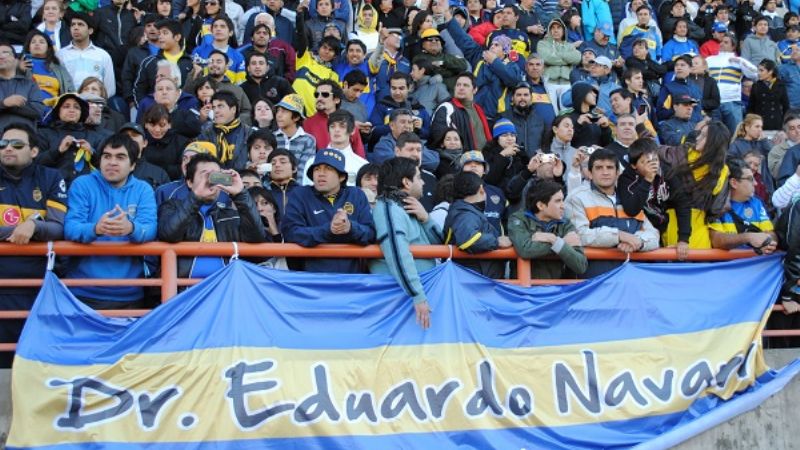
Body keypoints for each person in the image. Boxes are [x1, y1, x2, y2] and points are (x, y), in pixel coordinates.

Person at [63, 133, 157, 308]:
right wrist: (95, 229)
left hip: (130, 292)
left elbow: (150, 228)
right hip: (82, 291)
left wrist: (131, 228)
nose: (112, 162)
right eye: (107, 156)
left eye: (120, 157)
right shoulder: (82, 184)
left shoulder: (143, 189)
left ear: (133, 165)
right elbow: (70, 227)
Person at [0, 122, 67, 367]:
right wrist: (23, 228)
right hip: (2, 285)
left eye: (17, 145)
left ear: (34, 151)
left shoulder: (51, 177)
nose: (8, 149)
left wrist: (34, 227)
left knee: (35, 363)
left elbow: (58, 228)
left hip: (39, 287)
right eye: (3, 144)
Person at [158, 152, 266, 278]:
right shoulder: (173, 206)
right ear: (189, 182)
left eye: (216, 174)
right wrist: (196, 197)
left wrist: (240, 194)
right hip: (184, 290)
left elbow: (256, 237)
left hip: (225, 289)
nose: (211, 179)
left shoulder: (229, 214)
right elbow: (169, 234)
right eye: (205, 174)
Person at [370, 157, 442, 329]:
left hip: (417, 294)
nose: (423, 182)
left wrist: (426, 219)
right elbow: (397, 253)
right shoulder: (388, 208)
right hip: (401, 300)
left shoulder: (410, 207)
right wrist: (417, 295)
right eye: (418, 177)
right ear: (406, 182)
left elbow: (441, 246)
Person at [565, 147, 659, 277]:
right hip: (594, 280)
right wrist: (618, 235)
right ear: (590, 173)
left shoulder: (629, 196)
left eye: (609, 167)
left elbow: (653, 234)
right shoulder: (577, 197)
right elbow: (579, 235)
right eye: (599, 168)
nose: (605, 172)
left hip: (632, 278)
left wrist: (638, 242)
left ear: (617, 172)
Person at [282, 148, 375, 273]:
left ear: (341, 176)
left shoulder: (356, 195)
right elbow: (291, 233)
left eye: (328, 169)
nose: (321, 173)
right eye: (317, 169)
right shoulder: (299, 195)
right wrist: (328, 230)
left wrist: (350, 228)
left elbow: (371, 233)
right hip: (310, 279)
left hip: (352, 280)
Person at [661, 120, 731, 248]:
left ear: (713, 143)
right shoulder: (679, 153)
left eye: (703, 136)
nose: (697, 138)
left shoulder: (723, 171)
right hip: (672, 224)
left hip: (700, 233)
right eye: (699, 134)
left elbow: (716, 208)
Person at [618, 138, 691, 258]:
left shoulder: (668, 172)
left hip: (665, 224)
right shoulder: (626, 179)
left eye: (655, 160)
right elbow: (631, 209)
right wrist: (647, 180)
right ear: (634, 165)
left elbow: (682, 204)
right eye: (645, 162)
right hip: (640, 231)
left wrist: (683, 239)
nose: (653, 165)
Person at [508, 180, 587, 279]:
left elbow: (581, 266)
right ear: (540, 205)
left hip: (558, 291)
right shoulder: (518, 219)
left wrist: (554, 240)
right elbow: (524, 250)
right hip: (526, 291)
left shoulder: (566, 224)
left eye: (563, 200)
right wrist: (562, 243)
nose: (563, 206)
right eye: (558, 201)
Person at [443, 171, 512, 279]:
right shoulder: (465, 213)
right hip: (473, 284)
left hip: (477, 281)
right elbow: (467, 240)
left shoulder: (465, 210)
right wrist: (497, 241)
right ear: (481, 189)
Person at [709, 158, 777, 253]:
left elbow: (771, 233)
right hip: (727, 265)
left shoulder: (756, 203)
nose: (755, 183)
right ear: (734, 183)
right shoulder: (716, 205)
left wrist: (768, 242)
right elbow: (716, 240)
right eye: (750, 179)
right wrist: (748, 237)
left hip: (756, 264)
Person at [38, 93, 106, 186]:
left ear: (82, 113)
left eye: (76, 107)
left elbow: (106, 167)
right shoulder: (44, 134)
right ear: (58, 111)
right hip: (52, 189)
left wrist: (92, 152)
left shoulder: (94, 137)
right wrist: (58, 150)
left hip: (86, 191)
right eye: (66, 106)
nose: (72, 110)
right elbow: (35, 164)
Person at [133, 19, 194, 106]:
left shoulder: (191, 63)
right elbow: (139, 90)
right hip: (154, 115)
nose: (160, 37)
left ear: (177, 37)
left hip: (183, 116)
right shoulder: (150, 62)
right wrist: (146, 112)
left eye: (165, 33)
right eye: (159, 33)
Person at [706, 34, 758, 134]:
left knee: (736, 134)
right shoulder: (709, 60)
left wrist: (740, 62)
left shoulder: (739, 61)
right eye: (721, 41)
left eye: (726, 42)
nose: (721, 44)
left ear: (733, 46)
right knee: (714, 136)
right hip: (713, 103)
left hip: (732, 102)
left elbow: (755, 74)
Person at [302, 110, 368, 186]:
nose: (336, 130)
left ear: (352, 130)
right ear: (328, 130)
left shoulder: (361, 165)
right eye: (332, 126)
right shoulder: (312, 163)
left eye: (342, 126)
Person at [56, 13, 116, 98]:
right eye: (73, 25)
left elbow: (109, 89)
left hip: (96, 104)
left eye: (80, 24)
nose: (76, 28)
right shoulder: (60, 55)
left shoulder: (102, 55)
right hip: (70, 105)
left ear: (90, 30)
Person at [430, 72, 491, 155]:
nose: (461, 88)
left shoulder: (479, 109)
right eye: (458, 85)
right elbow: (439, 138)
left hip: (480, 161)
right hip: (459, 162)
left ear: (475, 90)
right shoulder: (446, 108)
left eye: (465, 85)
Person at [303, 80, 366, 156]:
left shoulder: (348, 121)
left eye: (325, 95)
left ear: (336, 100)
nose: (319, 98)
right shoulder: (307, 123)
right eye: (316, 95)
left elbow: (360, 155)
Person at [198, 91, 251, 170]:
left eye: (220, 106)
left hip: (241, 178)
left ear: (233, 109)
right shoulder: (205, 132)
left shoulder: (248, 133)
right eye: (214, 107)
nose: (216, 111)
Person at [154, 140, 219, 205]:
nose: (186, 163)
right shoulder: (165, 191)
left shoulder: (224, 192)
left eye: (193, 159)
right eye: (184, 159)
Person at [0, 42, 46, 131]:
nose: (1, 56)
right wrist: (4, 103)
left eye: (5, 52)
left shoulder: (29, 84)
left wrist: (12, 106)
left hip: (25, 136)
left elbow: (39, 111)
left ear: (16, 60)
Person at [538, 18, 581, 112]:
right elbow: (546, 58)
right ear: (549, 31)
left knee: (567, 112)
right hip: (549, 82)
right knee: (552, 112)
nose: (555, 30)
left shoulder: (569, 45)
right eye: (552, 28)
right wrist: (567, 59)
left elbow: (577, 58)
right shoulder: (542, 44)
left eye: (558, 27)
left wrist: (557, 55)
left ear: (563, 31)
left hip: (566, 83)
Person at [21, 29, 74, 103]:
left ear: (48, 47)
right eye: (33, 42)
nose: (37, 44)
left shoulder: (59, 68)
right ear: (28, 47)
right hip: (29, 109)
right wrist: (19, 70)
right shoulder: (19, 66)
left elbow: (70, 90)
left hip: (54, 109)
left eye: (41, 42)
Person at [500, 82, 546, 157]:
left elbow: (544, 145)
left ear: (531, 98)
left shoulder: (539, 119)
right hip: (512, 164)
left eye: (526, 95)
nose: (522, 98)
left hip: (535, 163)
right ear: (512, 98)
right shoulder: (504, 118)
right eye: (519, 95)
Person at [273, 93, 317, 170]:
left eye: (284, 111)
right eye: (278, 110)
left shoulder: (308, 140)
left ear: (296, 117)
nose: (278, 115)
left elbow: (303, 169)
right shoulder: (272, 137)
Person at [122, 122, 170, 190]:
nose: (130, 139)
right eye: (125, 136)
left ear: (145, 143)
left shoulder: (159, 173)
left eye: (134, 135)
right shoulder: (111, 168)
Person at [748, 59, 789, 133]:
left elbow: (786, 107)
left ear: (770, 72)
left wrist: (785, 126)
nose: (758, 73)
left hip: (777, 126)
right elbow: (751, 108)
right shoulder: (756, 86)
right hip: (760, 126)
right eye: (758, 70)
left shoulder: (781, 85)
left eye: (761, 70)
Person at [265, 147, 299, 218]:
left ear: (294, 168)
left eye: (283, 162)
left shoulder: (305, 193)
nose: (277, 165)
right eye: (273, 163)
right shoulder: (265, 195)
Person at [769, 114, 800, 179]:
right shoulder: (776, 150)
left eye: (799, 127)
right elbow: (776, 174)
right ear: (786, 133)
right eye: (792, 128)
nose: (797, 131)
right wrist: (793, 150)